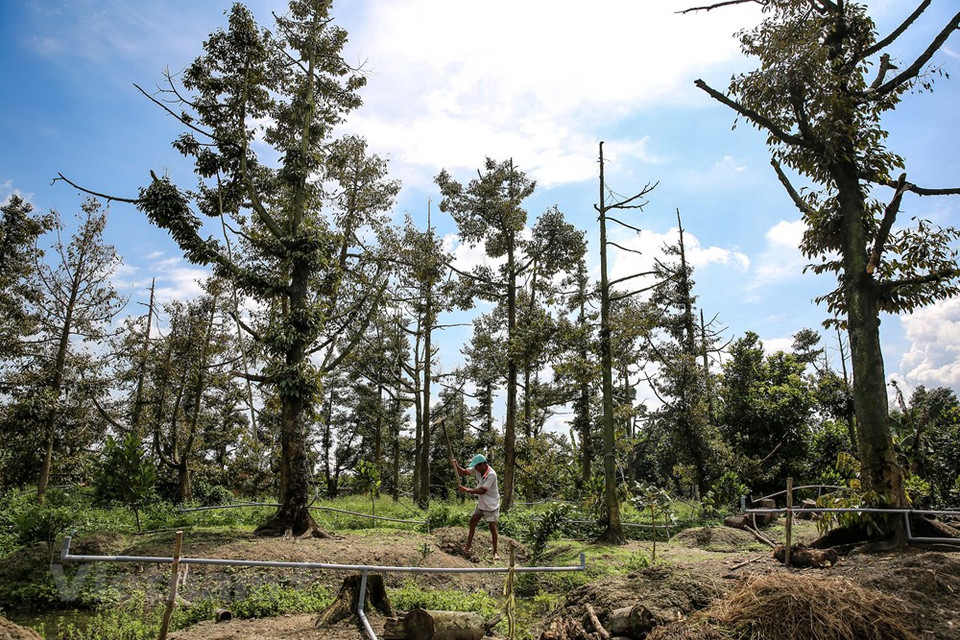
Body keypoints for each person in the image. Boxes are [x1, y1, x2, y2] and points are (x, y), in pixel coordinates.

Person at [450, 453, 500, 560]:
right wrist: (456, 465)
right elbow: (462, 472)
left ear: (483, 464)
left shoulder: (492, 474)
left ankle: (495, 552)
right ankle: (468, 546)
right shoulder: (477, 470)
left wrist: (466, 490)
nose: (475, 468)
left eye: (477, 466)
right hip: (481, 503)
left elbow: (482, 491)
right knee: (472, 522)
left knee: (492, 528)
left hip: (491, 504)